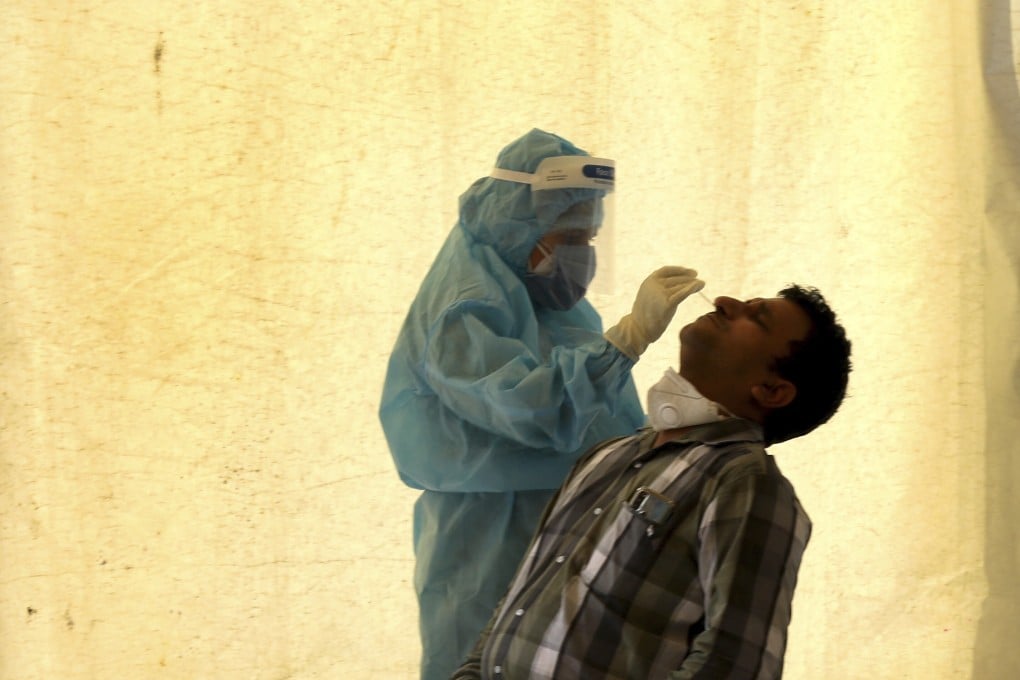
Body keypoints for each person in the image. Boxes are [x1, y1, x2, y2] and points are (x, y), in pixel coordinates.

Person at [379, 128, 706, 680]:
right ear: (518, 224)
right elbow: (533, 407)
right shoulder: (466, 307)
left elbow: (601, 423)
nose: (584, 256)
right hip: (488, 543)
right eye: (570, 237)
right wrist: (627, 340)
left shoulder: (552, 307)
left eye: (591, 238)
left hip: (560, 540)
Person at [452, 285, 852, 679]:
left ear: (771, 391)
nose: (726, 302)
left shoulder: (746, 483)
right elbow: (517, 604)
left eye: (756, 317)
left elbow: (735, 665)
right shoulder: (606, 457)